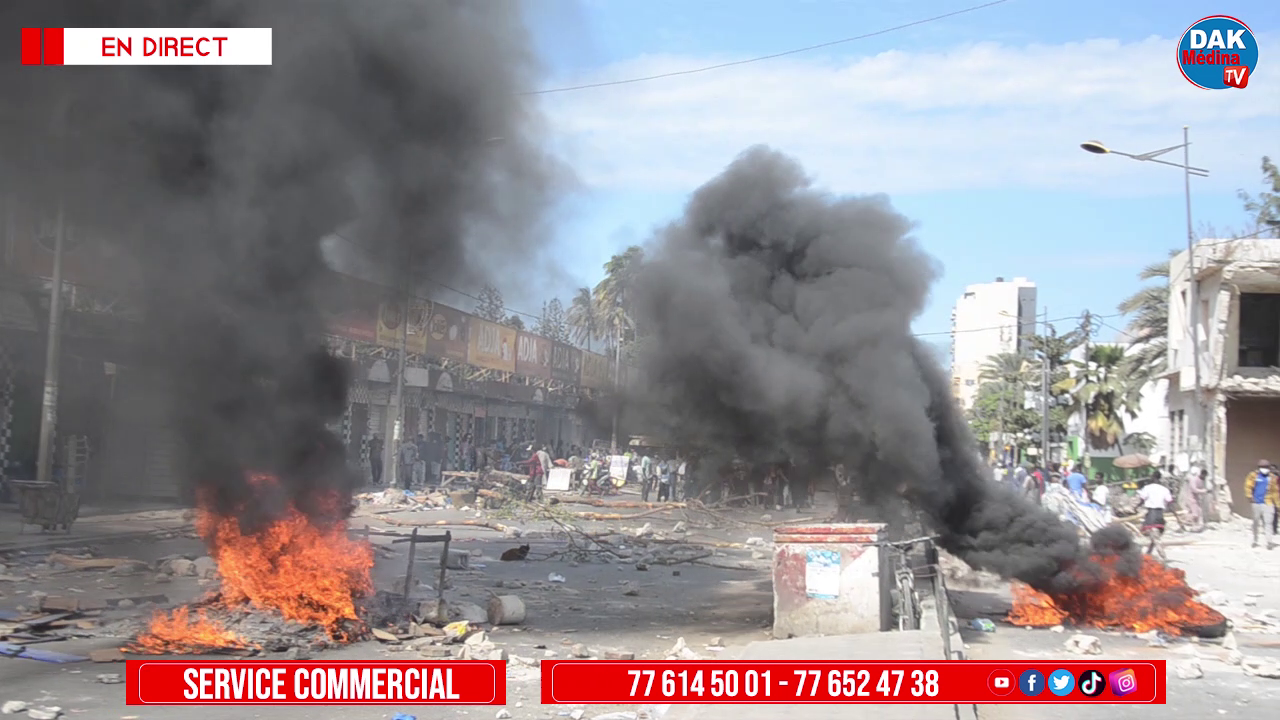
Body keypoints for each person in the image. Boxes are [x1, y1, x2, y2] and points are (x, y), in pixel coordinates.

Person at [1137, 475, 1173, 562]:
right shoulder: (1164, 489)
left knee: (1154, 537)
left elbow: (1142, 499)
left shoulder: (1147, 488)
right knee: (1154, 535)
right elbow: (1170, 501)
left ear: (1153, 478)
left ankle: (1163, 556)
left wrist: (1136, 506)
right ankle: (1148, 553)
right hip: (1160, 514)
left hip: (1151, 514)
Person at [1244, 459, 1278, 549]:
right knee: (1256, 522)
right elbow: (1248, 486)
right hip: (1256, 502)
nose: (1264, 468)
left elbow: (1275, 492)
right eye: (1262, 467)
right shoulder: (1253, 475)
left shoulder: (1272, 477)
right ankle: (1255, 540)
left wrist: (1277, 504)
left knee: (1268, 523)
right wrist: (1249, 497)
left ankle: (1269, 541)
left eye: (1266, 467)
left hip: (1268, 503)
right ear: (1258, 467)